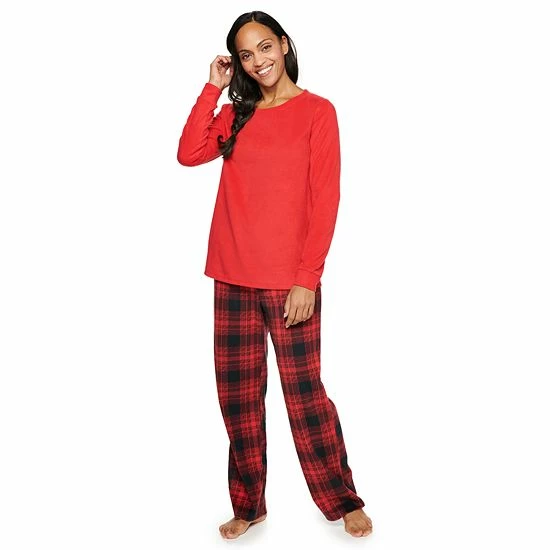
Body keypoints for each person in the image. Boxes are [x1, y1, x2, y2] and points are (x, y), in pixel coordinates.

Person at [176, 10, 373, 540]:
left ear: (284, 45)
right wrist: (212, 87)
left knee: (305, 397)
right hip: (231, 275)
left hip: (290, 282)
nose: (258, 61)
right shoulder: (236, 115)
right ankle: (249, 505)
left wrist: (307, 278)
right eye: (246, 54)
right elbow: (188, 153)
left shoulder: (317, 112)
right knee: (238, 399)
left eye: (265, 47)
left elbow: (325, 198)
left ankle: (342, 500)